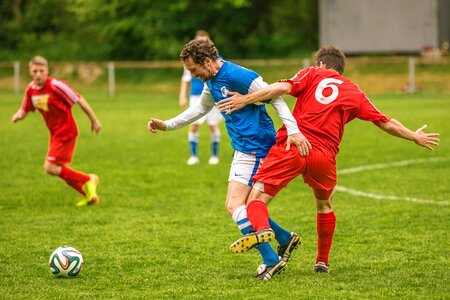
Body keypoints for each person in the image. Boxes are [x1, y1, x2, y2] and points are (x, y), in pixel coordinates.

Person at [219, 45, 440, 273]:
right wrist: (414, 136)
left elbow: (280, 88)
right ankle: (321, 261)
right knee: (324, 205)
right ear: (340, 69)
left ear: (321, 64)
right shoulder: (354, 91)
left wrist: (246, 99)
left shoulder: (312, 73)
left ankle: (264, 230)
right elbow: (385, 122)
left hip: (294, 145)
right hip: (324, 157)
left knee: (255, 200)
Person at [148, 39, 312, 280]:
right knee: (239, 206)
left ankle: (270, 260)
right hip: (242, 148)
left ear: (206, 61)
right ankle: (284, 239)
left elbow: (276, 97)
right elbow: (199, 110)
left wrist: (294, 131)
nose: (193, 76)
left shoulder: (239, 75)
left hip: (256, 147)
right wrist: (167, 125)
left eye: (194, 70)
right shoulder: (211, 81)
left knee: (235, 205)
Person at [11, 56, 102, 206]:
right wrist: (18, 115)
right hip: (54, 134)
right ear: (30, 72)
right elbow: (25, 108)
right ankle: (90, 196)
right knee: (59, 169)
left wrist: (94, 120)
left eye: (42, 70)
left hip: (66, 131)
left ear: (47, 70)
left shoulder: (56, 85)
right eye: (35, 71)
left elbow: (79, 99)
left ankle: (89, 179)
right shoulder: (31, 89)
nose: (39, 74)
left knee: (50, 167)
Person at [179, 30, 223, 165]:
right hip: (196, 95)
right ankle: (194, 156)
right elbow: (185, 79)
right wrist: (182, 96)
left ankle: (214, 156)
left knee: (213, 125)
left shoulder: (217, 59)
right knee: (193, 125)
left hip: (213, 95)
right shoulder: (190, 60)